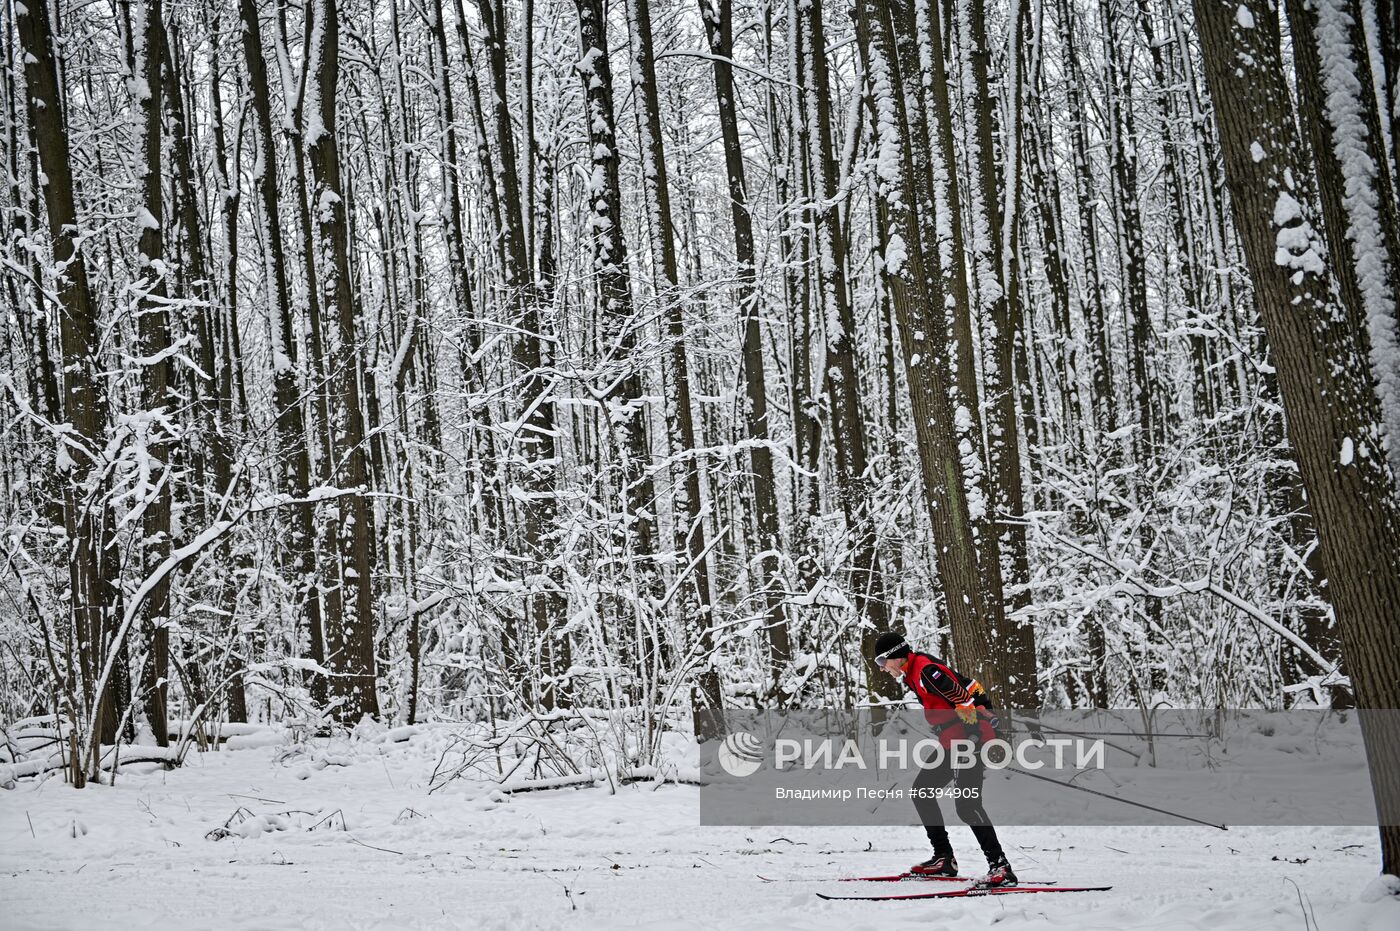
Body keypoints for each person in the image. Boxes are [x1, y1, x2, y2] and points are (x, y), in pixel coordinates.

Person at [872, 630, 1018, 887]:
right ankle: (943, 858)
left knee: (967, 805)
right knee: (922, 791)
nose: (883, 669)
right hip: (952, 742)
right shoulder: (916, 671)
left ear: (896, 655)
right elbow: (971, 684)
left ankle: (1001, 868)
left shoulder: (927, 670)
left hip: (966, 742)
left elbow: (964, 698)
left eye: (883, 662)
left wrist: (974, 736)